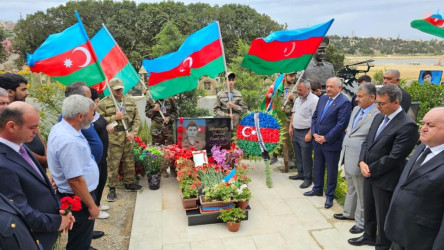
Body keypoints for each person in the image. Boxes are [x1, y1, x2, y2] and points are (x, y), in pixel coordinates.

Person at [348, 84, 419, 248]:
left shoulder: (407, 125)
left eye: (381, 103)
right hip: (368, 172)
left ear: (396, 103)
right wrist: (362, 162)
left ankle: (382, 244)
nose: (377, 106)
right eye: (377, 103)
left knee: (382, 214)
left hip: (385, 178)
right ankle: (369, 235)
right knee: (369, 208)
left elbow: (395, 157)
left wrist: (371, 169)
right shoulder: (379, 117)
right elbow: (367, 142)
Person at [0, 102, 73, 250]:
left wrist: (61, 209)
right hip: (32, 238)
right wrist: (57, 222)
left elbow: (41, 185)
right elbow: (20, 211)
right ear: (11, 126)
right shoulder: (2, 164)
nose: (37, 131)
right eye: (32, 127)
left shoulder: (20, 145)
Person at [385, 107, 444, 250]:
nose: (423, 128)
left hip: (422, 240)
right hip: (398, 231)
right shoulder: (423, 147)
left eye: (430, 125)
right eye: (422, 123)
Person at [47, 95, 100, 250]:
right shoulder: (69, 140)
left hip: (78, 194)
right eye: (92, 114)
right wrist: (92, 205)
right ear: (80, 116)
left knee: (81, 234)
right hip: (79, 198)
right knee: (79, 241)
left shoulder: (63, 128)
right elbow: (75, 180)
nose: (93, 118)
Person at [334, 83, 378, 235]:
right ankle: (348, 213)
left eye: (360, 96)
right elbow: (351, 130)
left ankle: (361, 222)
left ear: (372, 98)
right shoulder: (357, 109)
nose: (357, 99)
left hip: (360, 157)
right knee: (351, 187)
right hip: (347, 154)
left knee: (361, 193)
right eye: (356, 96)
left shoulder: (377, 114)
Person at [304, 77, 351, 209]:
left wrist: (325, 138)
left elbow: (341, 124)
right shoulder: (323, 98)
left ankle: (329, 195)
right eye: (327, 86)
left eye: (331, 86)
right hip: (317, 140)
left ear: (339, 88)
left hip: (331, 143)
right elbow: (315, 117)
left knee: (331, 170)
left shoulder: (344, 102)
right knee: (317, 166)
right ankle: (317, 188)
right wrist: (314, 133)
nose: (328, 89)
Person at [99, 78, 142, 202]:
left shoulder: (130, 101)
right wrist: (114, 117)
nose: (119, 91)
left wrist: (133, 133)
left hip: (128, 136)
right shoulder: (103, 103)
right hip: (113, 138)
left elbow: (136, 119)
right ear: (110, 89)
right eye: (116, 89)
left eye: (120, 88)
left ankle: (130, 183)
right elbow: (99, 121)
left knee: (129, 161)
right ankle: (112, 188)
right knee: (113, 164)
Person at [288, 79, 318, 188]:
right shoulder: (298, 99)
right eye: (298, 90)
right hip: (296, 131)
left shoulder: (315, 100)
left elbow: (316, 119)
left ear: (308, 89)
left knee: (306, 156)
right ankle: (300, 173)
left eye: (300, 90)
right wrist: (291, 126)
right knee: (298, 154)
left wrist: (310, 133)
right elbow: (294, 113)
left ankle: (307, 178)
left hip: (306, 131)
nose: (298, 92)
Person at [270, 72, 297, 171]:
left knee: (289, 139)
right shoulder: (279, 88)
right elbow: (275, 101)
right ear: (285, 76)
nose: (292, 78)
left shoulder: (295, 89)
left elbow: (300, 102)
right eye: (290, 76)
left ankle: (289, 157)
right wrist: (277, 108)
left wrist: (293, 98)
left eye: (294, 76)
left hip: (290, 117)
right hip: (279, 117)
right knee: (276, 136)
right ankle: (274, 155)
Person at [90, 87, 110, 220]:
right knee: (94, 183)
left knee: (102, 179)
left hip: (103, 155)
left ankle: (97, 203)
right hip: (94, 158)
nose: (98, 103)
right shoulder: (86, 118)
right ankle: (94, 208)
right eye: (96, 101)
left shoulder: (96, 114)